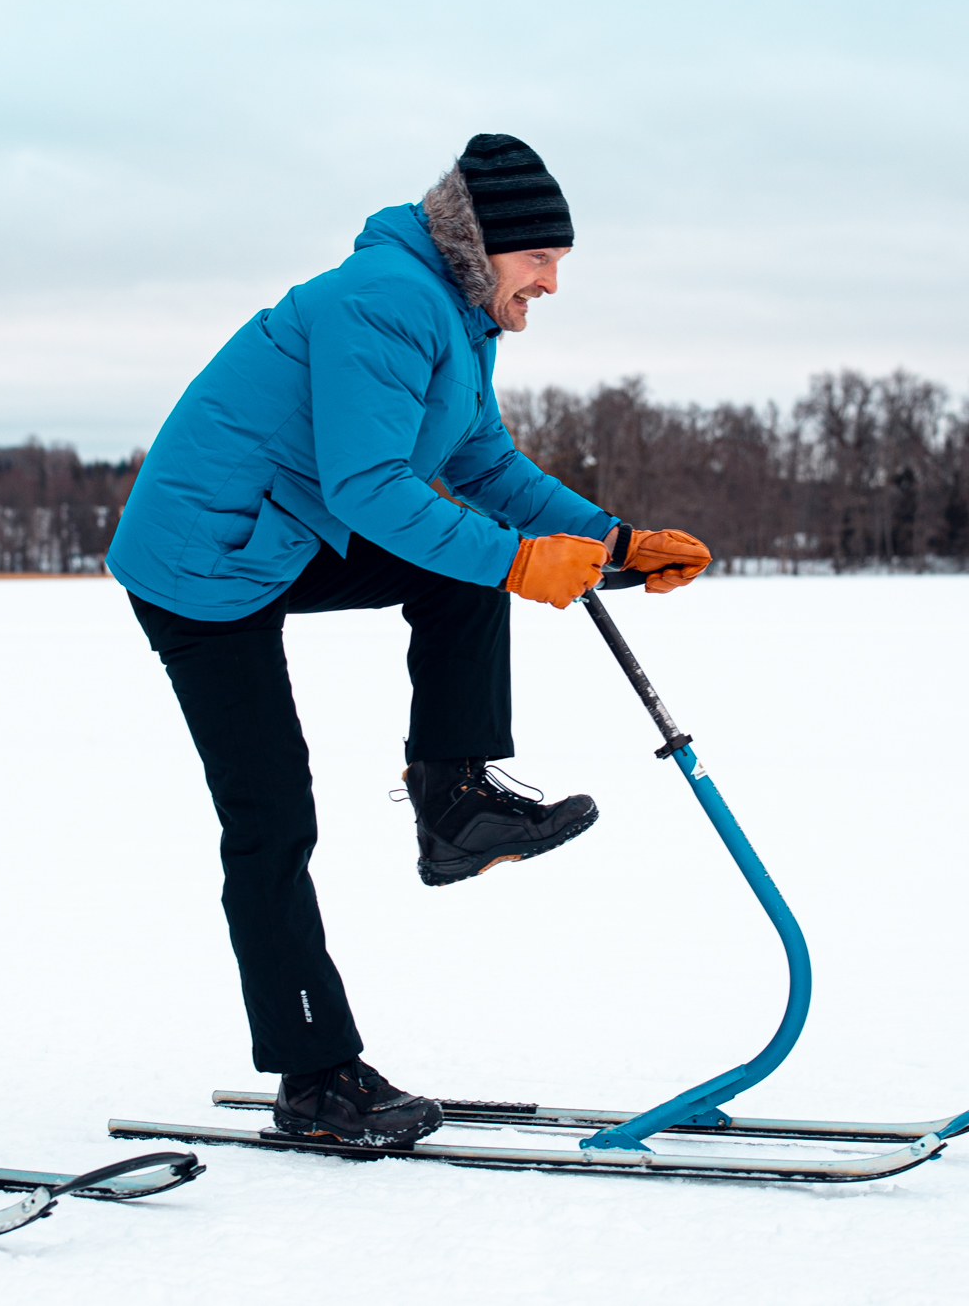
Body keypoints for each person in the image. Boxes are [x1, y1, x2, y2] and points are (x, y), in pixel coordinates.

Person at [106, 135, 714, 1148]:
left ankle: (455, 805)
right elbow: (367, 487)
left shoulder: (456, 318)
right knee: (270, 819)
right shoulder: (381, 301)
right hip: (201, 566)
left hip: (280, 535)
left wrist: (613, 541)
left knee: (461, 563)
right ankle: (314, 1080)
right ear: (486, 249)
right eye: (541, 260)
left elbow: (485, 466)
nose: (552, 284)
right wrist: (519, 563)